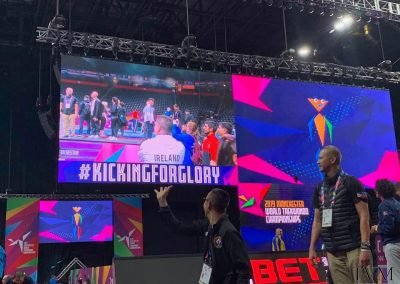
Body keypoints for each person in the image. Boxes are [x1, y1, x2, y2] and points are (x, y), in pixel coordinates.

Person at [154, 186, 252, 284]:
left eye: (205, 200)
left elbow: (244, 270)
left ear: (208, 204)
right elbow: (179, 227)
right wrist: (163, 204)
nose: (203, 203)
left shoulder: (229, 232)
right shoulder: (207, 225)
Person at [309, 145, 373, 284]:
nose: (318, 161)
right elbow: (317, 221)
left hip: (355, 250)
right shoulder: (319, 188)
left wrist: (365, 248)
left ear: (332, 160)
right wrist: (312, 247)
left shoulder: (352, 182)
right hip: (333, 253)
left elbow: (364, 216)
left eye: (321, 158)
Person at [372, 179, 400, 284]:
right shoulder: (397, 203)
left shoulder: (384, 205)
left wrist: (376, 228)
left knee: (395, 279)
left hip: (393, 245)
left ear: (380, 191)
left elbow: (389, 227)